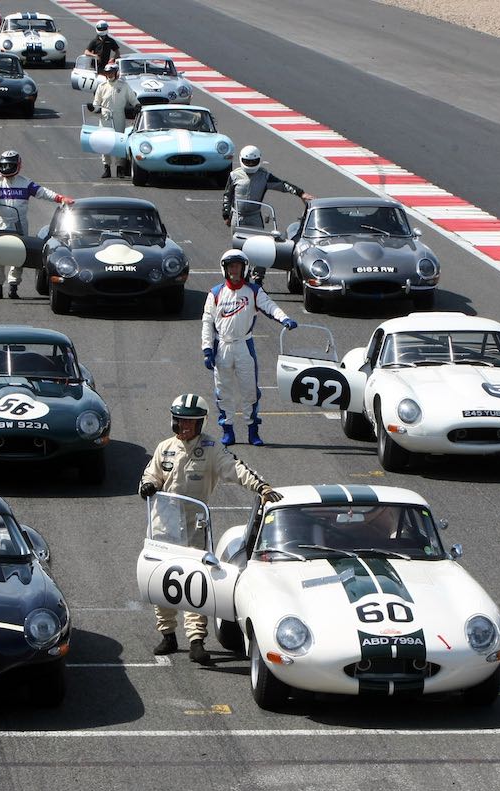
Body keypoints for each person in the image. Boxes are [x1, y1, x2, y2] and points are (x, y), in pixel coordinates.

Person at [138, 393, 283, 664]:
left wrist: (261, 487)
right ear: (173, 422)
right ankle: (167, 634)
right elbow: (150, 475)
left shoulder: (213, 448)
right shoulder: (164, 448)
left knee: (195, 581)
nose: (185, 428)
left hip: (195, 526)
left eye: (191, 423)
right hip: (163, 526)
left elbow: (236, 468)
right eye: (180, 422)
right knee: (162, 580)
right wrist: (147, 486)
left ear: (200, 424)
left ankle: (196, 640)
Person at [200, 250, 298, 447]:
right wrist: (207, 349)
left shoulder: (253, 291)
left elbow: (269, 306)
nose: (234, 270)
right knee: (223, 391)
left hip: (244, 346)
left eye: (237, 266)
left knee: (250, 391)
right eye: (231, 266)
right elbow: (207, 322)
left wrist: (284, 318)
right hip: (222, 349)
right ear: (224, 269)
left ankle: (253, 430)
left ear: (244, 268)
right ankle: (227, 430)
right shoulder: (215, 293)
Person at [0, 150, 73, 299]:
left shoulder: (25, 183)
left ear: (17, 165)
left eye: (10, 165)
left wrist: (60, 198)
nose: (6, 168)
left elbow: (43, 192)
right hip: (0, 226)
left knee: (18, 257)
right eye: (4, 165)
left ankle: (13, 288)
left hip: (19, 226)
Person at [221, 144, 313, 229]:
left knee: (258, 244)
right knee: (237, 243)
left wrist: (300, 193)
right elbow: (227, 196)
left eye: (253, 162)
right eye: (247, 162)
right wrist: (226, 214)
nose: (250, 164)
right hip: (237, 216)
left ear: (259, 160)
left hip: (255, 216)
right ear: (242, 159)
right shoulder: (234, 175)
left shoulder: (264, 176)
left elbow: (283, 185)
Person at [90, 60, 137, 179]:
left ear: (117, 73)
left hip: (119, 117)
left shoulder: (124, 86)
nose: (109, 75)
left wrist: (137, 105)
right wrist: (93, 108)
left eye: (111, 72)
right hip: (105, 118)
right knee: (104, 143)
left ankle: (120, 169)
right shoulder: (101, 87)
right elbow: (96, 104)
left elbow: (133, 99)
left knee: (119, 143)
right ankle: (107, 168)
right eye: (107, 73)